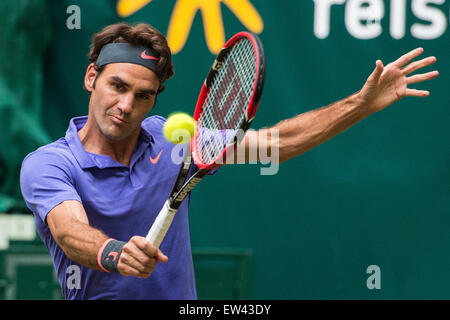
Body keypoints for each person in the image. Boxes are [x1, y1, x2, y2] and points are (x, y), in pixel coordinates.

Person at [20, 22, 438, 300]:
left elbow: (279, 142)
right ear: (92, 78)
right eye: (117, 85)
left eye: (143, 95)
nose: (126, 105)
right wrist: (114, 252)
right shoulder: (50, 164)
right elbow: (69, 231)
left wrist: (360, 105)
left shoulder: (174, 141)